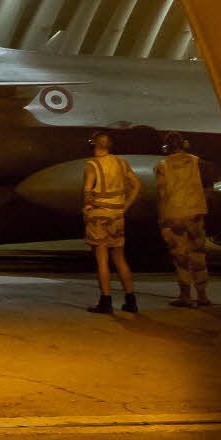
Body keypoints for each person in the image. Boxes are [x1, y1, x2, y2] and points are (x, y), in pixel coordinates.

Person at [83, 131, 140, 314]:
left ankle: (105, 301)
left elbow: (87, 191)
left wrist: (86, 209)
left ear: (95, 144)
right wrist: (125, 206)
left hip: (99, 215)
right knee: (120, 258)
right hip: (117, 215)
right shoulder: (121, 162)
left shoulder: (92, 165)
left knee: (102, 261)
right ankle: (131, 300)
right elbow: (137, 185)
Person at [155, 131, 211, 307]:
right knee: (198, 254)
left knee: (180, 256)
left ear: (166, 148)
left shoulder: (162, 166)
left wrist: (162, 219)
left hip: (175, 214)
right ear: (185, 144)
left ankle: (185, 296)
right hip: (195, 213)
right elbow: (208, 188)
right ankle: (202, 296)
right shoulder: (197, 161)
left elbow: (163, 194)